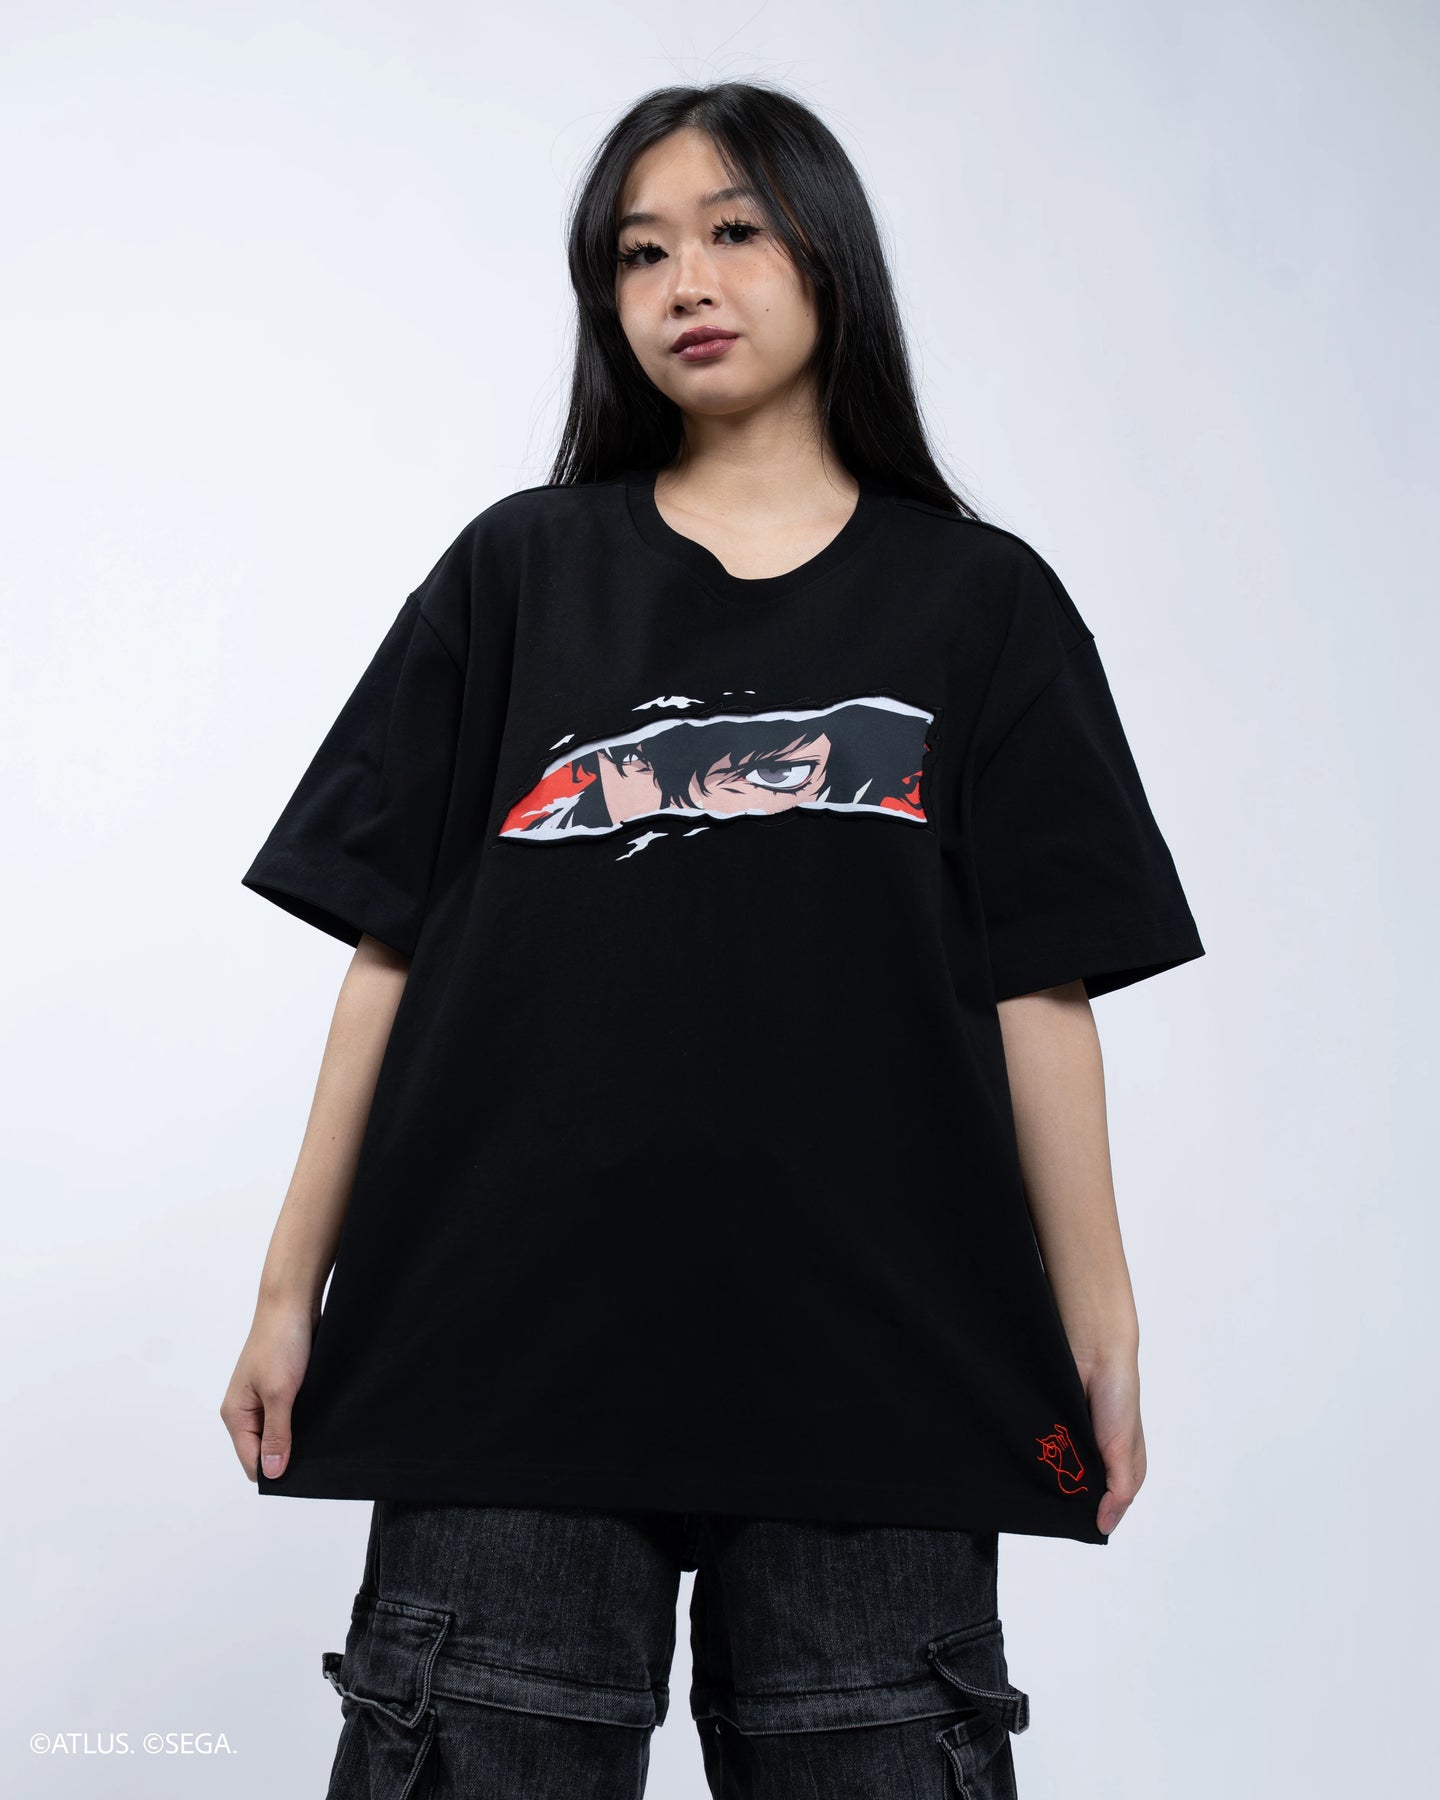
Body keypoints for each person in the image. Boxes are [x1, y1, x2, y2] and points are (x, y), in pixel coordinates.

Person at [221, 79, 1206, 1800]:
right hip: (504, 1349)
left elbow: (1041, 986)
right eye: (640, 251)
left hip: (880, 1364)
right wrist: (284, 1291)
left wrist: (1104, 1331)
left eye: (735, 231)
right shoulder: (515, 574)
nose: (687, 281)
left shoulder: (985, 605)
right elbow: (386, 951)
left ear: (830, 256)